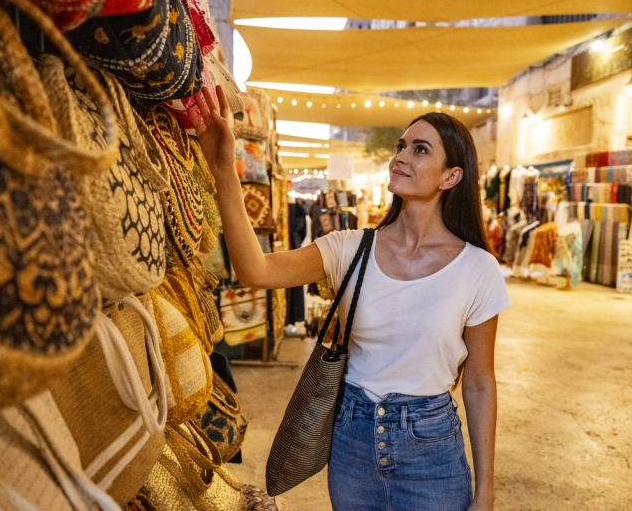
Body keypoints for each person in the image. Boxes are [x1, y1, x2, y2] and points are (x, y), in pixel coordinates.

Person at [191, 87, 510, 511]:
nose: (400, 157)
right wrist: (223, 172)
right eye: (401, 146)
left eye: (419, 150)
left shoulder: (478, 269)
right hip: (353, 442)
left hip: (431, 450)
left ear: (450, 176)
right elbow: (256, 270)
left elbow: (479, 382)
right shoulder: (350, 247)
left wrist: (486, 489)